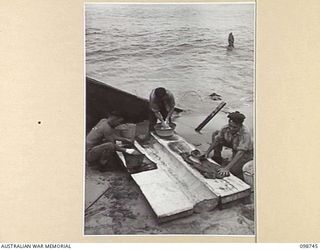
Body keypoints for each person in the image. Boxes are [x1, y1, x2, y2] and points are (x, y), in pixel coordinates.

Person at [205, 111, 253, 179]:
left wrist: (227, 168)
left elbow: (240, 152)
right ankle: (217, 157)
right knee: (216, 134)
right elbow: (217, 140)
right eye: (230, 126)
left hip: (245, 152)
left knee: (233, 171)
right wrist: (207, 152)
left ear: (240, 125)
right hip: (233, 144)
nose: (231, 129)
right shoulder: (225, 128)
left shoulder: (245, 134)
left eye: (234, 127)